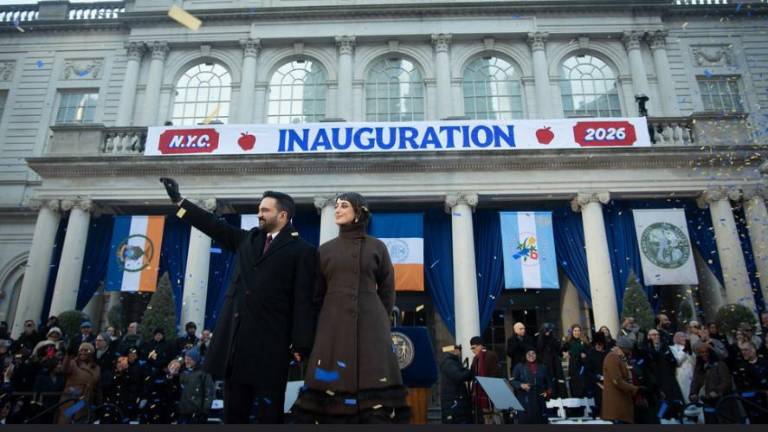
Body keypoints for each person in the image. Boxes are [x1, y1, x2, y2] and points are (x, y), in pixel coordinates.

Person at [160, 177, 317, 424]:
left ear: (283, 216)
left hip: (272, 346)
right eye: (259, 209)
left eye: (265, 210)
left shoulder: (303, 251)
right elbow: (212, 225)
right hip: (237, 342)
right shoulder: (248, 239)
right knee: (234, 413)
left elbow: (303, 300)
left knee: (269, 413)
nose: (259, 214)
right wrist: (179, 202)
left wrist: (301, 344)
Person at [294, 192, 409, 424]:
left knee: (376, 395)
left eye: (343, 206)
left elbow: (387, 290)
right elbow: (317, 295)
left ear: (359, 212)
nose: (337, 210)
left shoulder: (378, 247)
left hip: (372, 325)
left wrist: (378, 318)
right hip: (332, 326)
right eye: (336, 206)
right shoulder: (325, 250)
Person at [690, 342, 738, 424]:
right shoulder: (699, 367)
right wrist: (693, 393)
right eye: (701, 352)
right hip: (707, 401)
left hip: (722, 401)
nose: (704, 354)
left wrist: (716, 391)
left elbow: (726, 382)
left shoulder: (720, 364)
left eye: (706, 352)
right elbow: (695, 382)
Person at [57, 342, 101, 424]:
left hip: (86, 400)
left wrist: (98, 402)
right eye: (81, 350)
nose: (83, 352)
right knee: (66, 420)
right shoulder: (73, 363)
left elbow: (96, 385)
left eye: (86, 350)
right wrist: (68, 356)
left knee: (81, 421)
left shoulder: (96, 368)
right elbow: (64, 369)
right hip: (71, 398)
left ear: (91, 353)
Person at [601, 336, 640, 424]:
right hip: (617, 406)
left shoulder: (621, 358)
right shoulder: (612, 357)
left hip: (623, 405)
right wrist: (635, 389)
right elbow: (617, 381)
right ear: (623, 348)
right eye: (629, 350)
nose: (630, 352)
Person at [511, 349, 552, 424]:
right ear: (525, 355)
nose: (531, 356)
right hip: (524, 401)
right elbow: (513, 381)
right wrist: (521, 385)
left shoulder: (543, 367)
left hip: (539, 402)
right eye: (528, 353)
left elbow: (549, 383)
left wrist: (547, 393)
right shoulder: (519, 367)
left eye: (533, 353)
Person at [731, 341, 768, 424]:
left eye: (746, 350)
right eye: (742, 350)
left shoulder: (764, 363)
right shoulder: (740, 365)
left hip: (764, 400)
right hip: (749, 402)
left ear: (753, 350)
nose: (743, 352)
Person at [176, 348, 214, 424]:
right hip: (183, 411)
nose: (187, 361)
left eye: (189, 359)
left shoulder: (204, 373)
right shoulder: (182, 371)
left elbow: (209, 392)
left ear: (196, 360)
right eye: (186, 359)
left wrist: (205, 411)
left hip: (197, 412)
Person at [469, 336, 500, 424]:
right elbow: (472, 373)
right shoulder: (475, 358)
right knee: (486, 415)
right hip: (481, 390)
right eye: (471, 348)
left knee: (496, 414)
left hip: (492, 390)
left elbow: (495, 372)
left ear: (480, 346)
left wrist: (489, 387)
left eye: (473, 347)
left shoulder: (491, 355)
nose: (472, 350)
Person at [439, 344, 473, 424]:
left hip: (455, 401)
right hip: (454, 401)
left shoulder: (452, 362)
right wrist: (471, 372)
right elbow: (458, 376)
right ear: (454, 350)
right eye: (459, 349)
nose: (460, 352)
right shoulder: (449, 363)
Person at [536, 322, 565, 398]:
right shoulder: (540, 340)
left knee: (557, 378)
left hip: (555, 362)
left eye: (549, 330)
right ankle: (549, 395)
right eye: (546, 330)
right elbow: (539, 349)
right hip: (546, 363)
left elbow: (558, 349)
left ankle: (560, 395)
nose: (548, 332)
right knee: (548, 379)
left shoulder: (554, 339)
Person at [585, 331, 608, 417]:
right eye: (598, 344)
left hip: (608, 381)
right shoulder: (591, 353)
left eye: (601, 344)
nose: (599, 346)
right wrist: (598, 381)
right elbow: (588, 371)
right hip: (596, 384)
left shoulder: (607, 352)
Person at [561, 324, 589, 397]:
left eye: (578, 331)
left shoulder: (584, 341)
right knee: (574, 385)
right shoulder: (569, 342)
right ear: (572, 332)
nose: (577, 332)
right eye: (575, 331)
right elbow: (561, 351)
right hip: (573, 366)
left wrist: (585, 355)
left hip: (582, 366)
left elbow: (589, 352)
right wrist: (565, 354)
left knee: (583, 384)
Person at [669, 332, 694, 404]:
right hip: (681, 375)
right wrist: (685, 351)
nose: (684, 339)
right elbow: (677, 361)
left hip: (691, 374)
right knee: (686, 394)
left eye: (684, 337)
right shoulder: (672, 348)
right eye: (682, 337)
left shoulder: (689, 348)